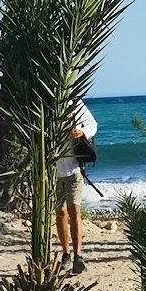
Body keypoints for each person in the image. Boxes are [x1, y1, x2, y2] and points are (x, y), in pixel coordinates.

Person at [55, 99, 97, 273]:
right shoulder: (48, 105)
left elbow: (92, 124)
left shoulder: (75, 103)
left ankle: (78, 256)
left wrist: (82, 132)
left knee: (74, 209)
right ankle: (66, 254)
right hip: (53, 172)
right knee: (60, 213)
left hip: (74, 170)